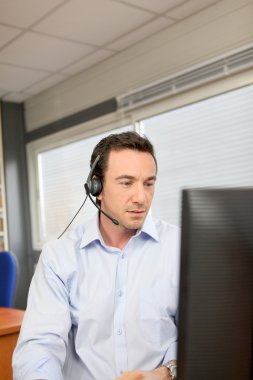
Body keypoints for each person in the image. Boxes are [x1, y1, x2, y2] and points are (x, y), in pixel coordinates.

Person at [13, 131, 180, 380]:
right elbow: (39, 348)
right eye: (126, 182)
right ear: (96, 187)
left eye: (148, 183)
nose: (141, 197)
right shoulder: (59, 257)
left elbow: (203, 336)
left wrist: (167, 372)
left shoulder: (180, 246)